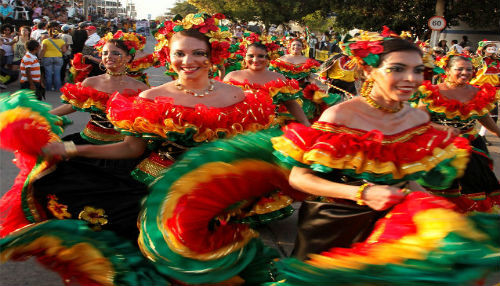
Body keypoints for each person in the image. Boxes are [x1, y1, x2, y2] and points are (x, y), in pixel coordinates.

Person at [269, 29, 499, 285]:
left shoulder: (417, 119)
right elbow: (299, 178)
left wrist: (428, 202)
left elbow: (406, 177)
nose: (411, 79)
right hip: (336, 225)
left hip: (394, 228)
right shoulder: (341, 116)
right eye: (397, 69)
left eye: (417, 70)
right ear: (369, 71)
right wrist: (362, 194)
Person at [0, 34, 149, 238]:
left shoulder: (141, 89)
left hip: (117, 150)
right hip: (86, 139)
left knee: (114, 199)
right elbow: (73, 105)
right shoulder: (91, 81)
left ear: (129, 58)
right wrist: (42, 115)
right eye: (105, 53)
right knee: (49, 182)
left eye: (116, 53)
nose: (109, 57)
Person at [415, 55, 500, 213]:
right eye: (459, 69)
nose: (465, 73)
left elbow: (482, 115)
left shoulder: (477, 91)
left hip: (472, 145)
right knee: (444, 185)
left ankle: (472, 218)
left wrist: (496, 131)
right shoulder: (432, 92)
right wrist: (443, 129)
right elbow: (419, 120)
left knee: (476, 183)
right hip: (441, 146)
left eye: (469, 69)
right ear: (447, 70)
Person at [224, 41, 310, 126]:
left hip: (269, 129)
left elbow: (290, 103)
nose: (255, 60)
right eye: (251, 56)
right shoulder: (232, 76)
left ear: (267, 59)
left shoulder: (278, 78)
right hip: (236, 130)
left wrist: (305, 123)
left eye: (260, 56)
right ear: (244, 58)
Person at [269, 38, 323, 119]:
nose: (296, 47)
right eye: (294, 45)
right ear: (290, 46)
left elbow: (310, 77)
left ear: (303, 47)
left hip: (301, 90)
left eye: (299, 45)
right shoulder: (281, 59)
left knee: (304, 113)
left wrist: (315, 84)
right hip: (284, 91)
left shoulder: (308, 61)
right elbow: (273, 74)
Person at [40, 22, 66, 91]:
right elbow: (64, 50)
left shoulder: (45, 41)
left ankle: (48, 88)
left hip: (47, 57)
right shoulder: (61, 41)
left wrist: (40, 58)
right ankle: (57, 88)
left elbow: (43, 50)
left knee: (48, 73)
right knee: (57, 73)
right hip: (58, 57)